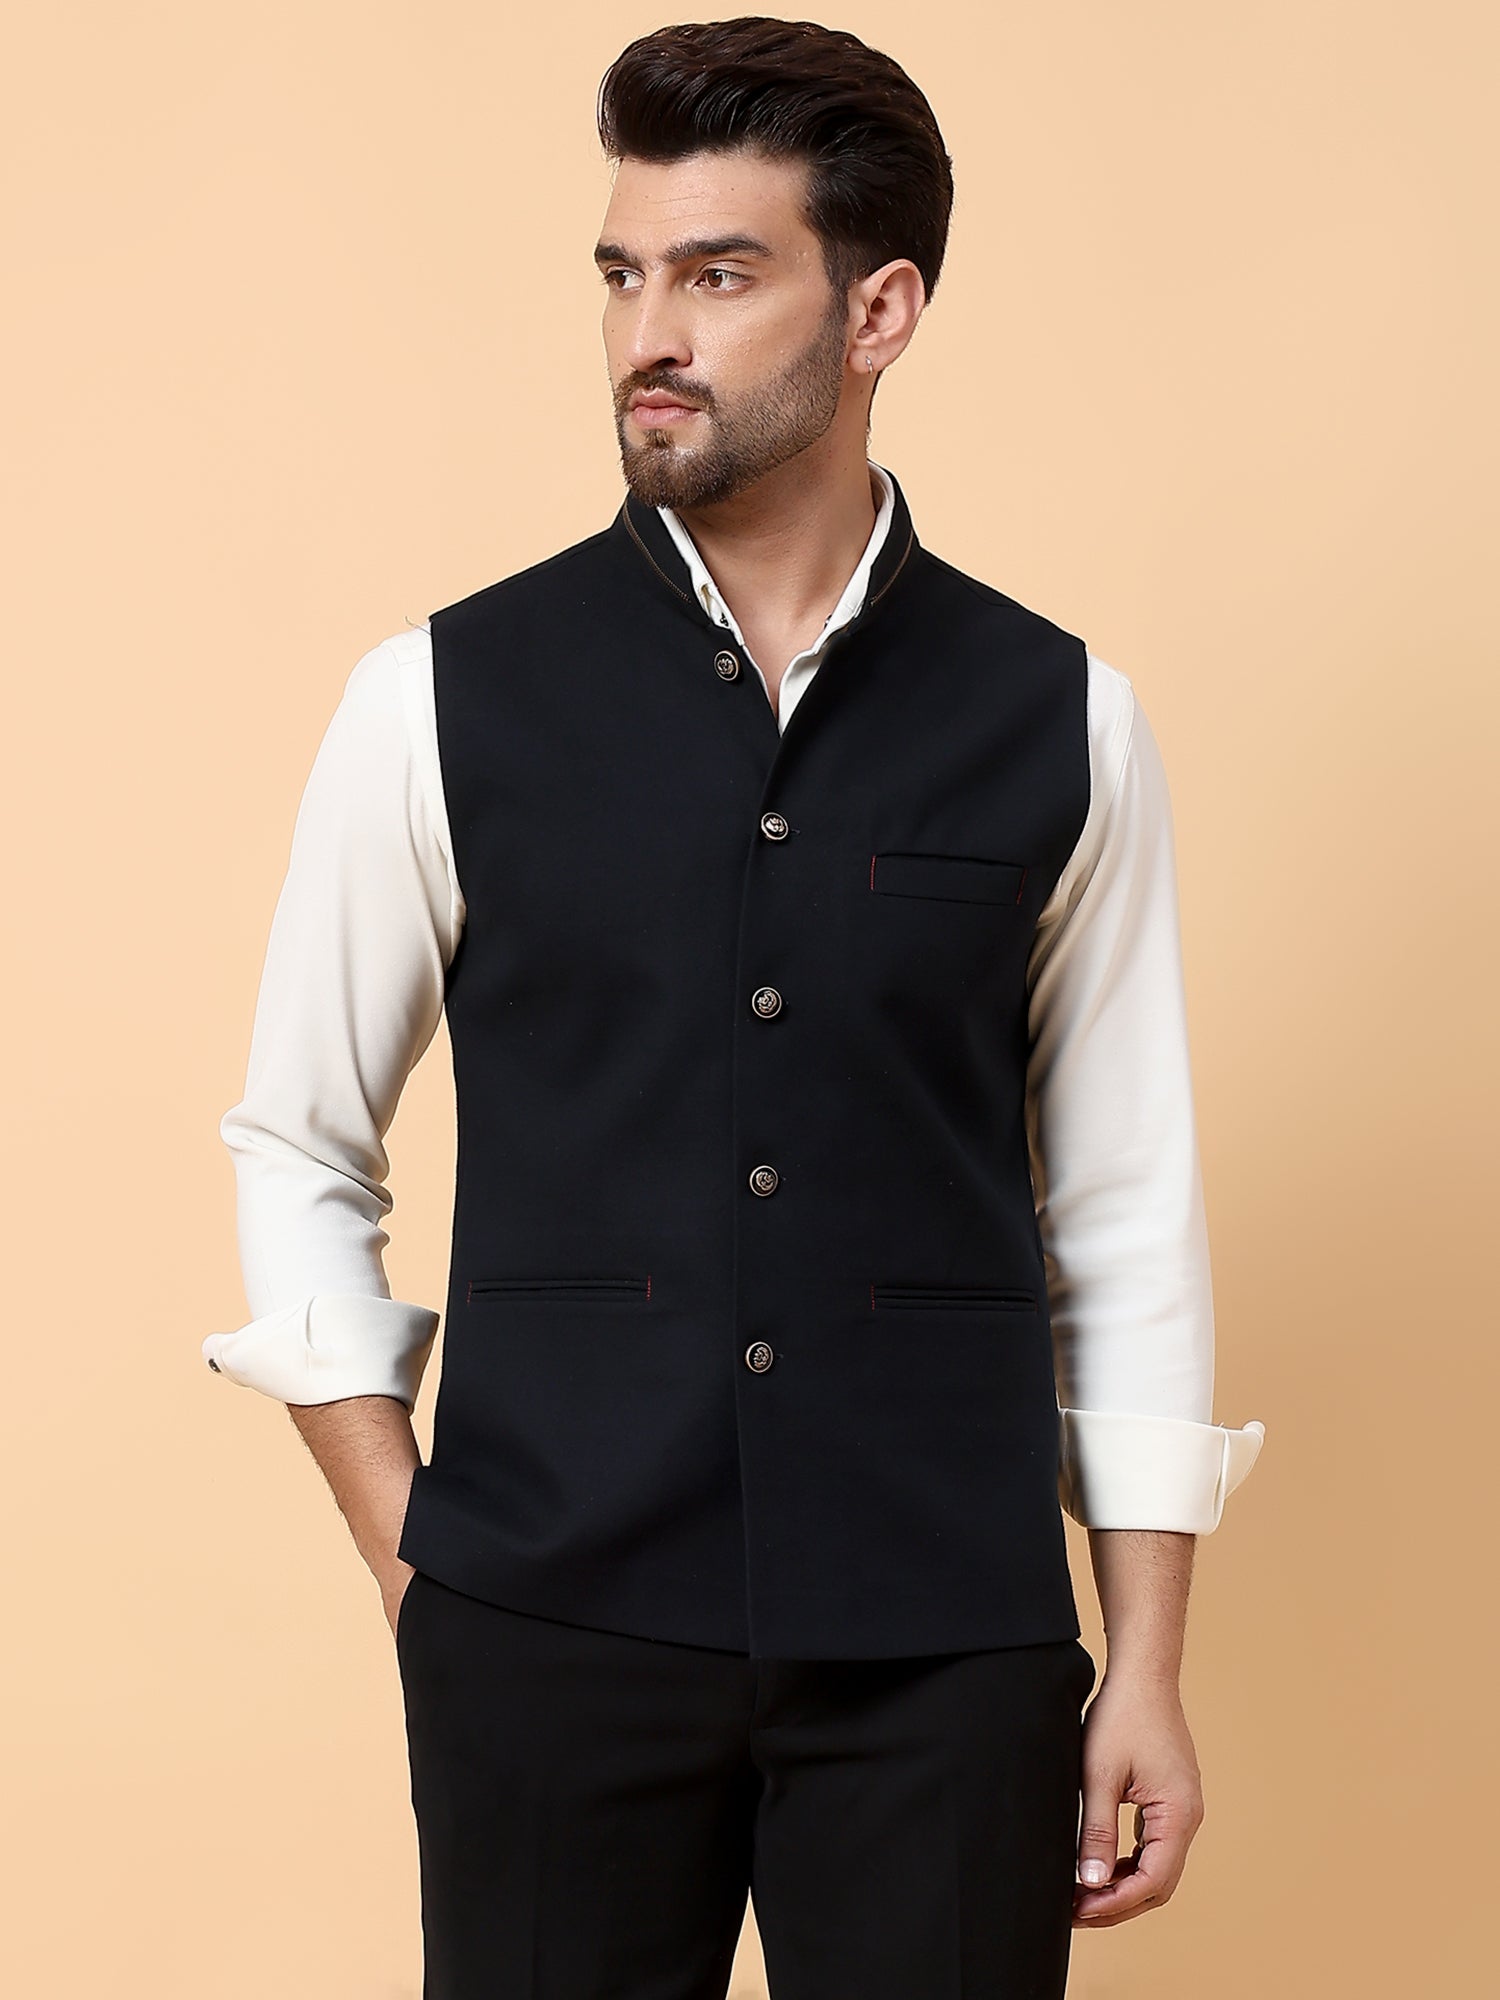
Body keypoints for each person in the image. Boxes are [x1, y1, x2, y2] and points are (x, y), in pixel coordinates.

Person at [203, 16, 1265, 1997]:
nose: (648, 337)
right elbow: (297, 1138)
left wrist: (1146, 1659)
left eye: (716, 274)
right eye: (623, 274)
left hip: (948, 1650)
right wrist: (411, 1551)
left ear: (881, 311)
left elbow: (1126, 1210)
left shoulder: (1064, 720)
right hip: (547, 1631)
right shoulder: (434, 699)